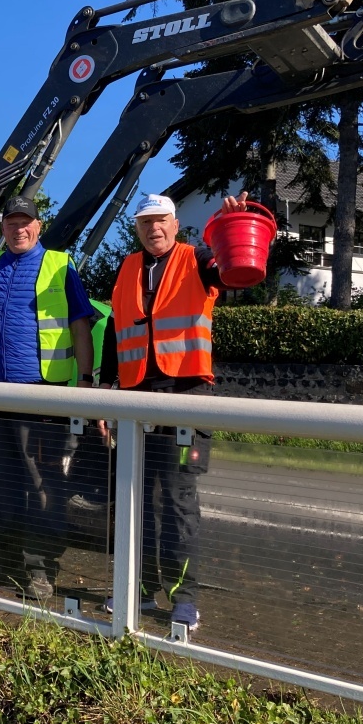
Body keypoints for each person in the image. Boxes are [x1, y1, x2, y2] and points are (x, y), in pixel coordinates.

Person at [98, 191, 248, 632]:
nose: (153, 229)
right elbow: (114, 330)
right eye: (145, 222)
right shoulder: (127, 268)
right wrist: (103, 392)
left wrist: (231, 229)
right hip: (134, 397)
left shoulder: (198, 258)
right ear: (137, 228)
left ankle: (185, 597)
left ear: (175, 223)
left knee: (180, 502)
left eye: (160, 221)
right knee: (135, 500)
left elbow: (233, 271)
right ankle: (140, 588)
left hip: (186, 395)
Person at [0, 195, 96, 600]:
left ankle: (40, 566)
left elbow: (80, 324)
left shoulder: (60, 264)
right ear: (3, 228)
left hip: (44, 394)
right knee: (1, 479)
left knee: (43, 483)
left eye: (25, 222)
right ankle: (3, 555)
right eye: (11, 223)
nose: (18, 229)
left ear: (39, 226)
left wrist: (85, 380)